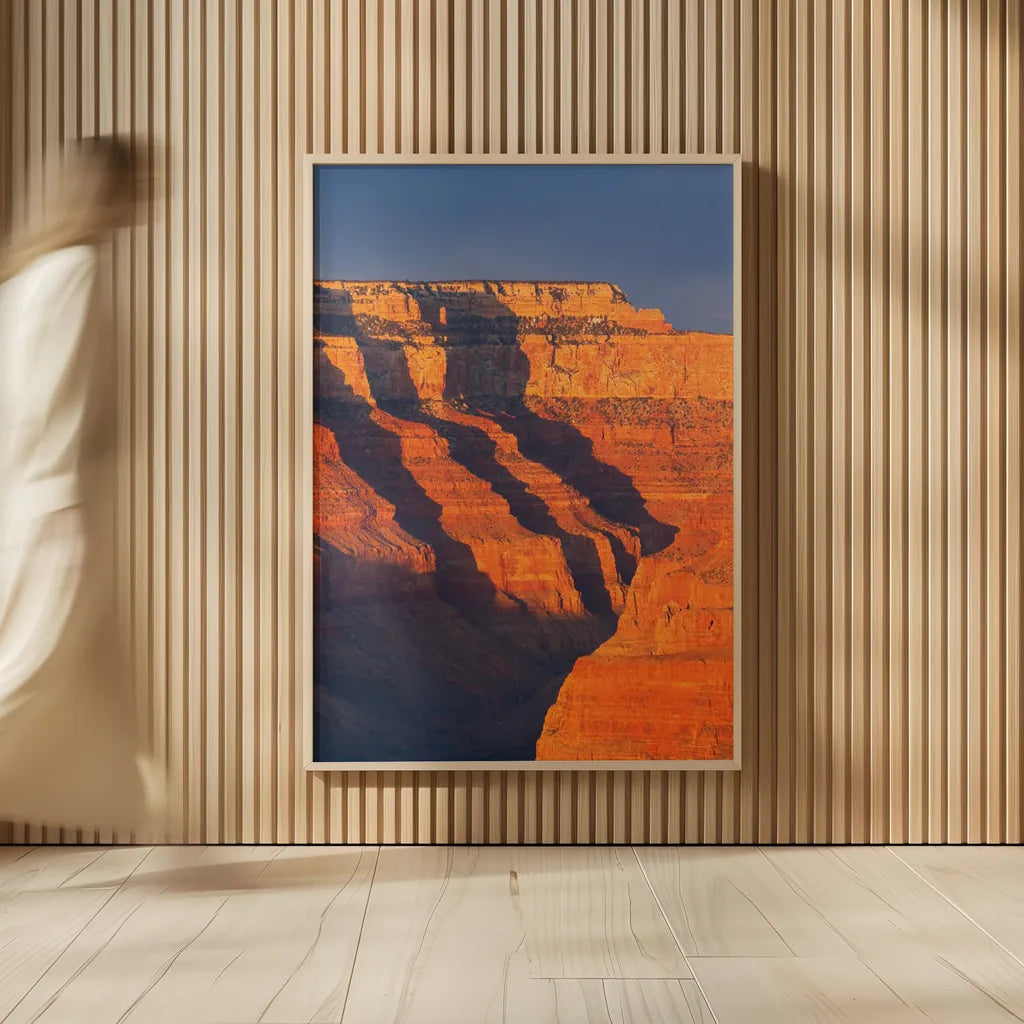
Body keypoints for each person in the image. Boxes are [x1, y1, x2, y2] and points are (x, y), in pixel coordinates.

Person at [0, 135, 172, 837]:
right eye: (140, 184)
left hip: (42, 501)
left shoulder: (29, 273)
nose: (150, 198)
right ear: (110, 192)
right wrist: (66, 509)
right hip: (61, 511)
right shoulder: (76, 270)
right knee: (29, 670)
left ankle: (176, 848)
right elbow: (51, 400)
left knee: (111, 694)